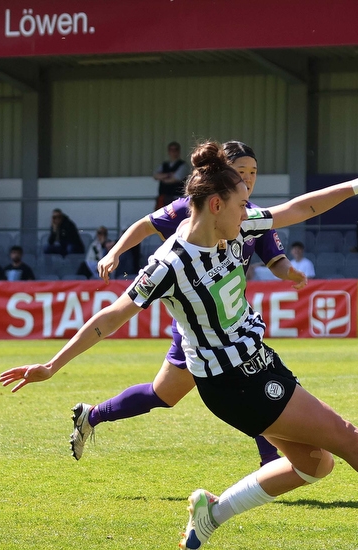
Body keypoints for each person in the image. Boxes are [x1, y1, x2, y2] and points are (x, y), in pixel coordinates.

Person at [0, 141, 358, 550]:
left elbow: (300, 208)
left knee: (315, 466)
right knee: (346, 437)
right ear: (216, 204)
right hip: (234, 380)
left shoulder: (236, 224)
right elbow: (109, 319)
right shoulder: (169, 263)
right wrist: (51, 365)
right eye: (244, 201)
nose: (253, 211)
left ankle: (212, 513)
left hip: (252, 366)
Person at [77, 141, 306, 468]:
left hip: (228, 320)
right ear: (223, 173)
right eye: (241, 171)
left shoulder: (251, 216)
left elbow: (276, 259)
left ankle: (92, 415)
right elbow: (146, 225)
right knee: (244, 379)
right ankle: (270, 461)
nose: (249, 177)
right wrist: (114, 252)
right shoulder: (195, 208)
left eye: (253, 172)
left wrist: (289, 272)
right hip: (199, 324)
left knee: (164, 395)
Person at [153, 141, 189, 207]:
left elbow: (175, 179)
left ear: (179, 151)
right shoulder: (164, 165)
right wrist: (169, 174)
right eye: (171, 150)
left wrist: (163, 178)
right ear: (168, 151)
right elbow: (155, 176)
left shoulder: (183, 165)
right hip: (163, 198)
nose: (173, 152)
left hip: (177, 198)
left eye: (176, 149)